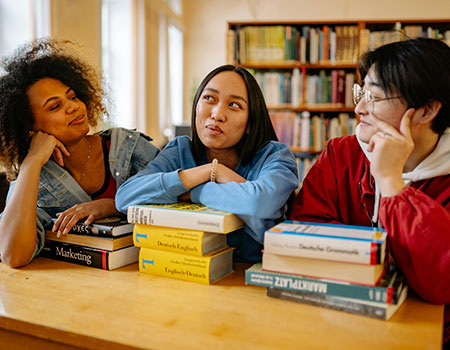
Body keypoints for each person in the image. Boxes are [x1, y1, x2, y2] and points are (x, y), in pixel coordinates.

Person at [289, 38, 450, 345]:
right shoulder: (341, 153)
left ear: (427, 110)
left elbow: (441, 282)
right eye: (361, 92)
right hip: (337, 319)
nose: (358, 108)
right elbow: (304, 232)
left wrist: (390, 181)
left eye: (374, 97)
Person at [0, 39, 159, 268]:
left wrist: (113, 205)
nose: (74, 106)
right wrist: (33, 161)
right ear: (29, 127)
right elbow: (13, 255)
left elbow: (180, 196)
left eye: (72, 97)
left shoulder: (130, 148)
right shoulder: (34, 179)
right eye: (55, 106)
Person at [116, 65, 298, 262]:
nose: (217, 114)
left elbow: (257, 203)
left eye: (234, 105)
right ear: (196, 106)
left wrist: (193, 192)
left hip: (248, 277)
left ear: (250, 123)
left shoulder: (276, 156)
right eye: (209, 98)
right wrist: (209, 171)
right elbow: (125, 197)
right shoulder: (179, 150)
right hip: (184, 269)